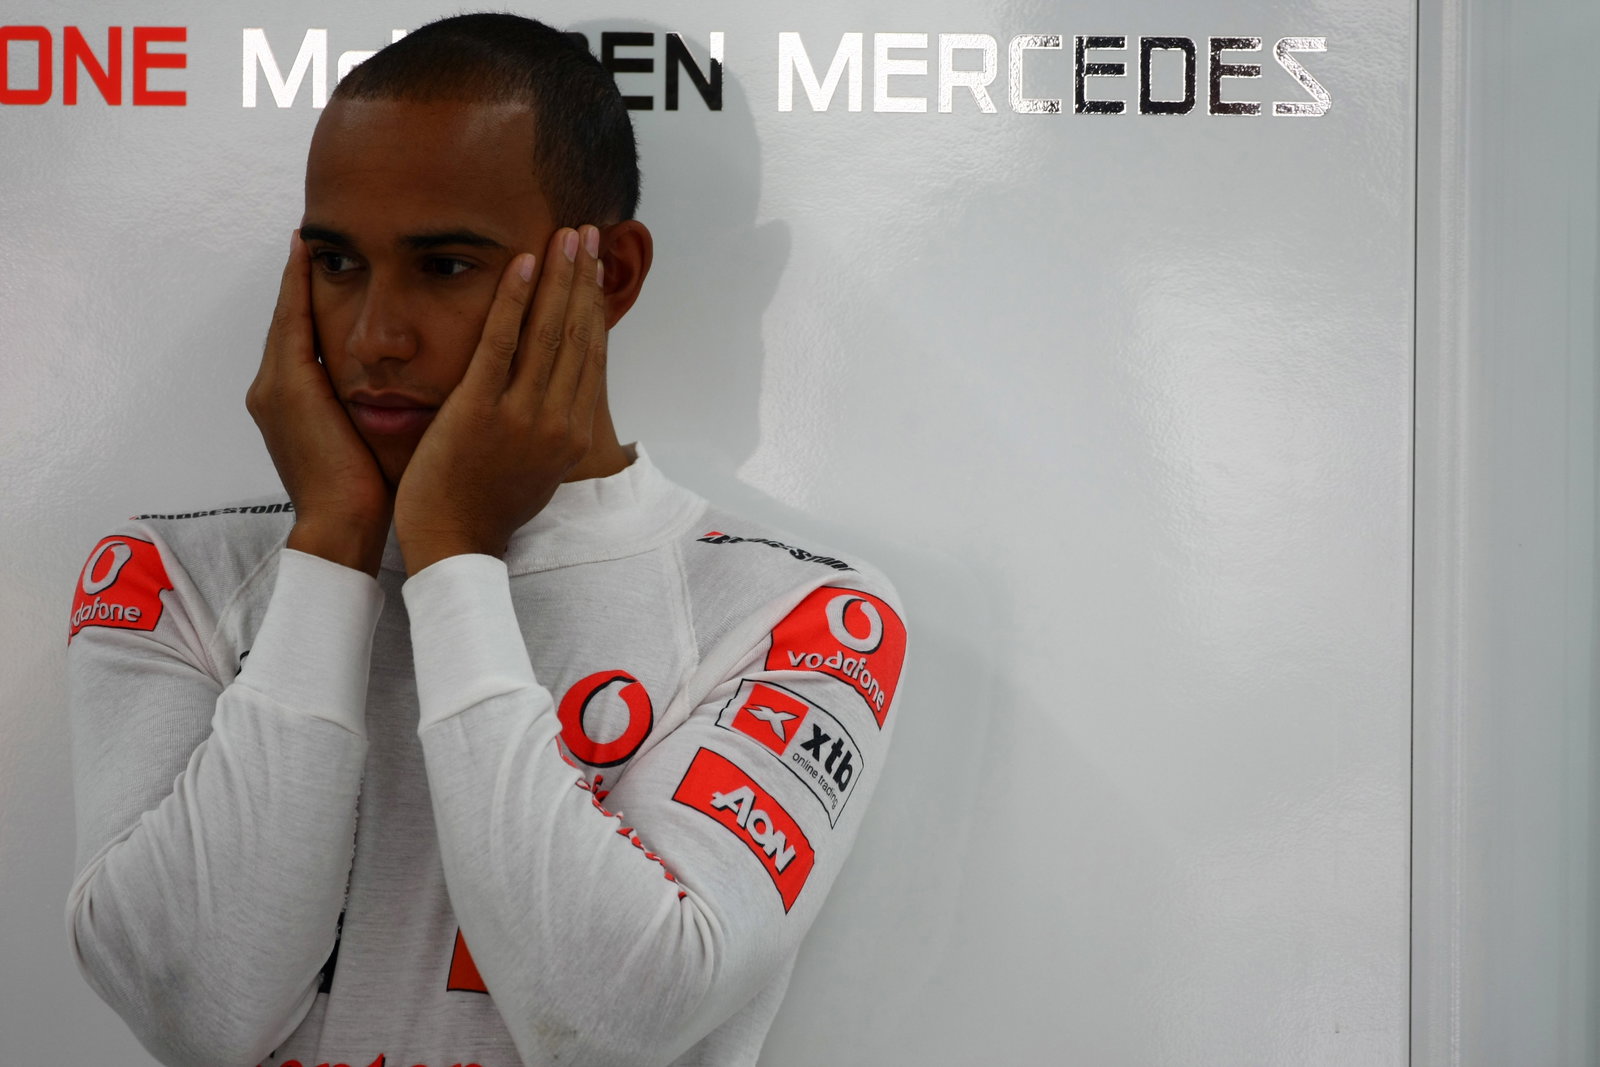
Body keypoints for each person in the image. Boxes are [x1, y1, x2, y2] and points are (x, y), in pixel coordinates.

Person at [63, 14, 905, 1067]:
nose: (376, 335)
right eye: (336, 262)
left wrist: (454, 551)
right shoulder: (171, 576)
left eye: (447, 267)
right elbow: (202, 1009)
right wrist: (330, 545)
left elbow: (613, 1020)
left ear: (609, 274)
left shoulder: (799, 612)